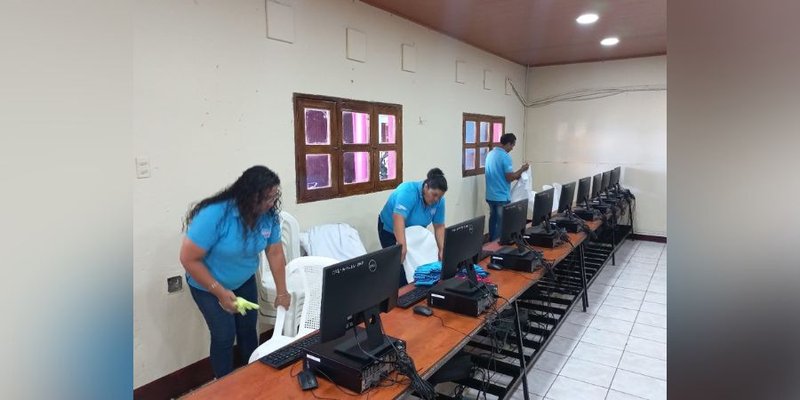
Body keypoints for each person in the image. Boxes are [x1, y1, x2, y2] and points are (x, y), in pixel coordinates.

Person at [179, 165, 290, 378]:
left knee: (249, 331)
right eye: (265, 199)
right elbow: (188, 259)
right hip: (206, 284)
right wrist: (220, 292)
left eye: (273, 197)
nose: (270, 204)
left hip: (244, 281)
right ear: (248, 196)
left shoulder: (269, 217)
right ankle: (224, 385)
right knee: (224, 335)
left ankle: (252, 378)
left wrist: (282, 292)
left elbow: (275, 252)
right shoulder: (215, 215)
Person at [378, 168, 448, 286]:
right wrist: (402, 247)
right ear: (426, 187)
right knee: (398, 267)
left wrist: (442, 249)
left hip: (414, 233)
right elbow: (398, 220)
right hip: (390, 229)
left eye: (439, 197)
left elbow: (439, 226)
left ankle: (417, 292)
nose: (436, 200)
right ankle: (396, 298)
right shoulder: (408, 192)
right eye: (434, 195)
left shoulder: (439, 201)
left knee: (418, 265)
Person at [485, 133, 529, 241]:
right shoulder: (505, 157)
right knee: (501, 222)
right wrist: (522, 169)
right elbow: (510, 177)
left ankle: (491, 242)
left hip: (490, 195)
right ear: (508, 143)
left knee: (493, 219)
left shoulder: (490, 154)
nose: (512, 148)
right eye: (512, 145)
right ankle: (497, 245)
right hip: (501, 196)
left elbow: (498, 174)